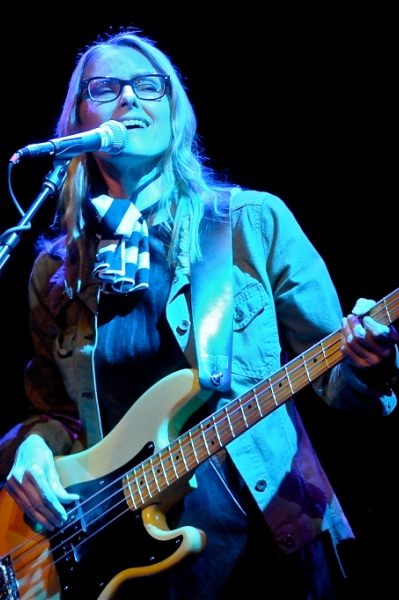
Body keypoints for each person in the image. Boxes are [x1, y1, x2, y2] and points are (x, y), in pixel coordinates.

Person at [0, 26, 398, 600]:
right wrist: (32, 447)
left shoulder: (249, 223)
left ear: (175, 112)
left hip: (273, 547)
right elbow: (57, 412)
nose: (129, 98)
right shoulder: (57, 275)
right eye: (105, 86)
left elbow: (339, 379)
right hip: (130, 566)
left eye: (147, 85)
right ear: (77, 122)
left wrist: (369, 362)